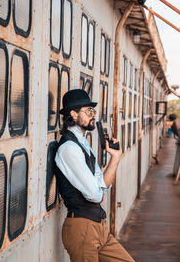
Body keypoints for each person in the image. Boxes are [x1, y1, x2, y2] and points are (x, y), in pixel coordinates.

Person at [54, 89, 135, 262]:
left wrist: (116, 157)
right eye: (89, 111)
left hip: (99, 226)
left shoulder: (83, 144)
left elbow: (103, 184)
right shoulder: (69, 149)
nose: (93, 115)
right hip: (82, 228)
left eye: (94, 111)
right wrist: (100, 185)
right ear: (73, 115)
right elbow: (95, 194)